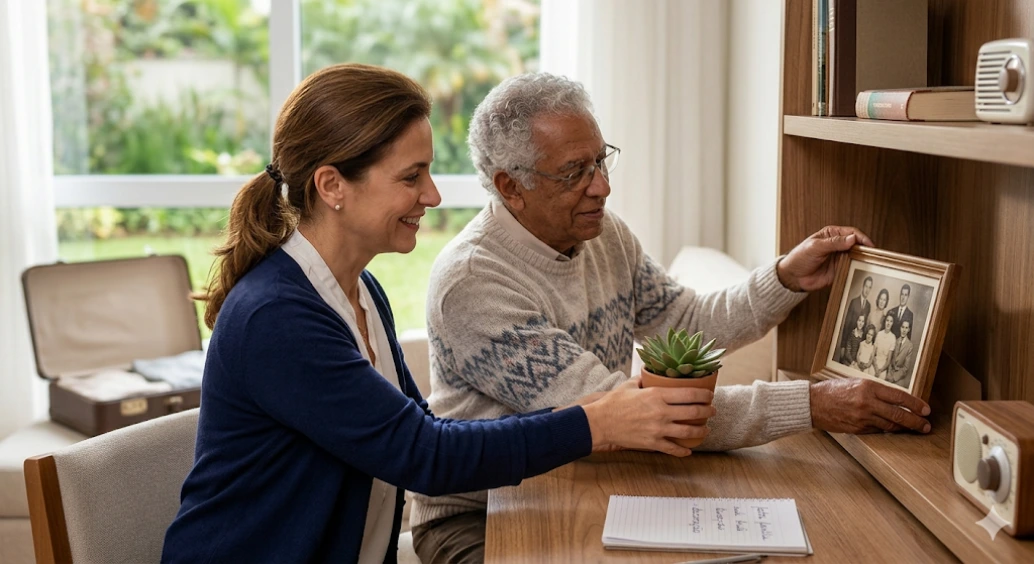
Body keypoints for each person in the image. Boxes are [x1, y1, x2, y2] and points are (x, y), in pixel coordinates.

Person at [159, 64, 717, 564]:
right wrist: (595, 422)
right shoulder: (277, 318)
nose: (433, 196)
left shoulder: (359, 291)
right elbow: (423, 455)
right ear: (332, 186)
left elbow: (423, 431)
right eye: (411, 176)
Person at [409, 72, 933, 563]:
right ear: (509, 187)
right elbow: (629, 412)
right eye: (575, 173)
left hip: (581, 484)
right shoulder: (474, 283)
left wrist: (786, 277)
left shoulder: (603, 233)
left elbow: (689, 324)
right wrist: (812, 404)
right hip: (478, 516)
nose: (602, 187)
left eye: (601, 161)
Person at [839, 276, 873, 357]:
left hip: (859, 344)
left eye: (869, 287)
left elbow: (864, 327)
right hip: (849, 342)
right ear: (863, 286)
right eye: (866, 286)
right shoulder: (854, 302)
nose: (867, 290)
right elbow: (846, 324)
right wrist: (843, 346)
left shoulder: (868, 305)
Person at [887, 320, 916, 386]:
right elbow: (890, 360)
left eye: (906, 328)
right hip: (890, 373)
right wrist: (889, 373)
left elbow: (905, 368)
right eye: (903, 327)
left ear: (908, 330)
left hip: (899, 377)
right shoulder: (895, 340)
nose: (904, 330)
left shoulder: (909, 346)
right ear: (900, 328)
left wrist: (894, 378)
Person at [873, 314, 898, 380]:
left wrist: (880, 370)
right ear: (885, 321)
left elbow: (888, 360)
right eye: (887, 320)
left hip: (884, 366)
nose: (888, 323)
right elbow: (873, 354)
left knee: (880, 379)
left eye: (891, 321)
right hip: (875, 363)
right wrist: (876, 368)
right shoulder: (879, 334)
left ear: (893, 323)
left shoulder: (893, 338)